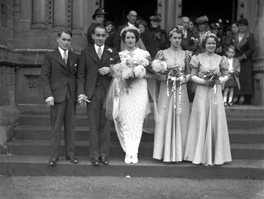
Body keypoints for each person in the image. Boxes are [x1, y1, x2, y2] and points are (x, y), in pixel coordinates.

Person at [184, 31, 232, 166]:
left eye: (213, 43)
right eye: (209, 43)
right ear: (204, 44)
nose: (211, 45)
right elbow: (192, 75)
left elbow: (226, 75)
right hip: (202, 91)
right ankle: (198, 154)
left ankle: (216, 155)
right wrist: (204, 81)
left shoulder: (221, 59)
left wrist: (218, 80)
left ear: (216, 44)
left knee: (215, 118)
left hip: (215, 92)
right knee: (201, 118)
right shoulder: (197, 58)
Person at [106, 27, 151, 164]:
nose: (130, 40)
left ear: (136, 39)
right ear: (123, 39)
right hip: (124, 90)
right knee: (125, 118)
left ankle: (134, 151)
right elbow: (115, 73)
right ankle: (128, 151)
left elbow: (150, 73)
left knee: (137, 120)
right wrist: (123, 73)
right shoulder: (119, 55)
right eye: (128, 38)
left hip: (139, 89)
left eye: (132, 37)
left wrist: (140, 72)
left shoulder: (144, 54)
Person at [77, 25, 120, 166]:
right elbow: (81, 75)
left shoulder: (113, 52)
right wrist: (82, 93)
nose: (100, 38)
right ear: (93, 36)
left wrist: (110, 69)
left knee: (106, 125)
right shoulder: (85, 52)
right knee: (93, 125)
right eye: (98, 35)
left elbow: (120, 73)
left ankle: (104, 155)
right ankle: (95, 156)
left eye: (103, 35)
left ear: (107, 36)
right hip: (92, 93)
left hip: (108, 92)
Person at [40, 30, 79, 166]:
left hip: (71, 95)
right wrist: (48, 95)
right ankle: (54, 155)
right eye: (64, 39)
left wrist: (79, 94)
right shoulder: (50, 56)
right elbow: (44, 77)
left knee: (71, 126)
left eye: (68, 40)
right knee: (56, 127)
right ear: (58, 39)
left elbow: (78, 77)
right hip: (56, 96)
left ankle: (71, 154)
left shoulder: (75, 57)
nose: (66, 42)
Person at [153, 26, 191, 162]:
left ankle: (180, 153)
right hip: (167, 90)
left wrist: (183, 79)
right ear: (170, 38)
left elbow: (189, 73)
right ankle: (163, 152)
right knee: (165, 116)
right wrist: (168, 79)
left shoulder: (186, 54)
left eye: (179, 38)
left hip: (181, 89)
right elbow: (156, 74)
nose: (177, 40)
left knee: (181, 117)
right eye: (174, 38)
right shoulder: (162, 54)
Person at [230, 18, 255, 105]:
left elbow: (252, 49)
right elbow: (231, 46)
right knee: (236, 77)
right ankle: (236, 96)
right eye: (240, 25)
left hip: (245, 60)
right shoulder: (234, 36)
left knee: (244, 78)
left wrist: (243, 57)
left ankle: (243, 96)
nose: (242, 27)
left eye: (244, 25)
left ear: (247, 26)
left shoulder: (249, 35)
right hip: (236, 59)